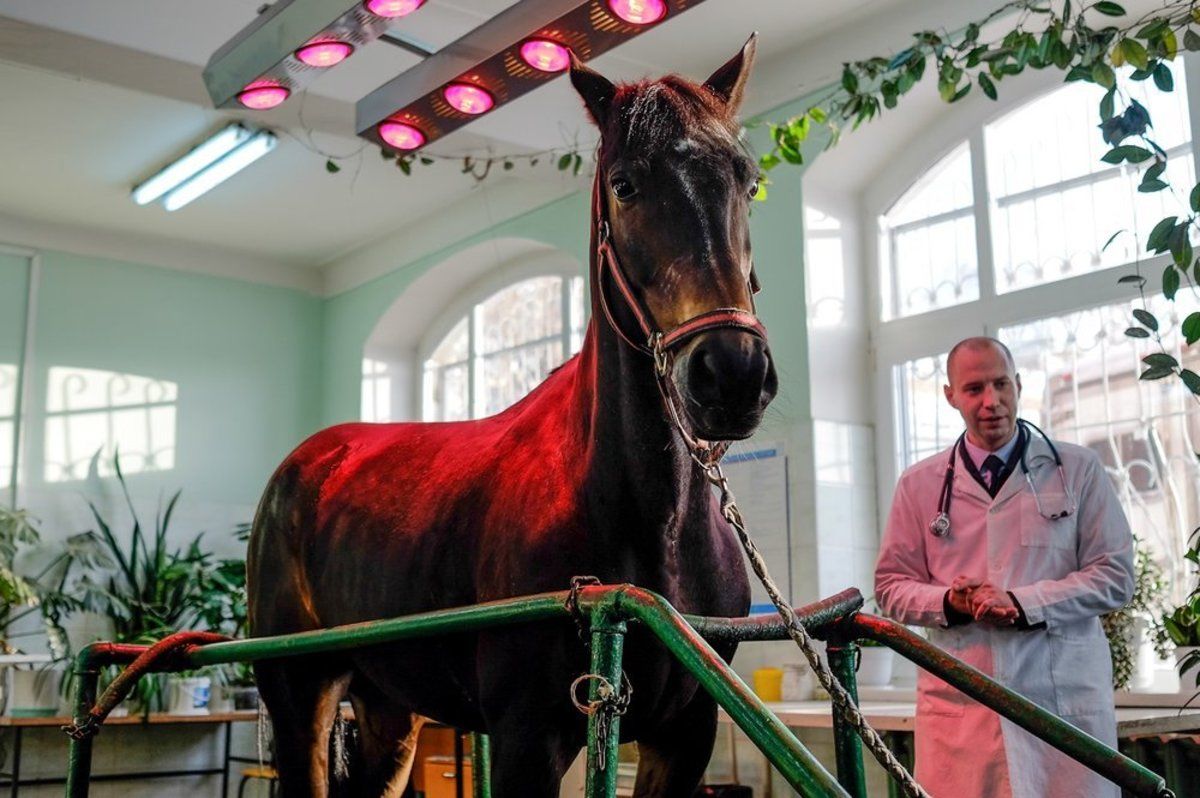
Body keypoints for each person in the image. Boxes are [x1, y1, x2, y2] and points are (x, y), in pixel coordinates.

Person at [874, 336, 1135, 798]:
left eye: (1001, 384)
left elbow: (1114, 576)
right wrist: (949, 602)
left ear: (1018, 384)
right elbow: (891, 587)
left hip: (1062, 706)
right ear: (950, 395)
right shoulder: (919, 485)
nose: (991, 401)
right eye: (974, 389)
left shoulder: (1078, 469)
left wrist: (1021, 602)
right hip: (962, 712)